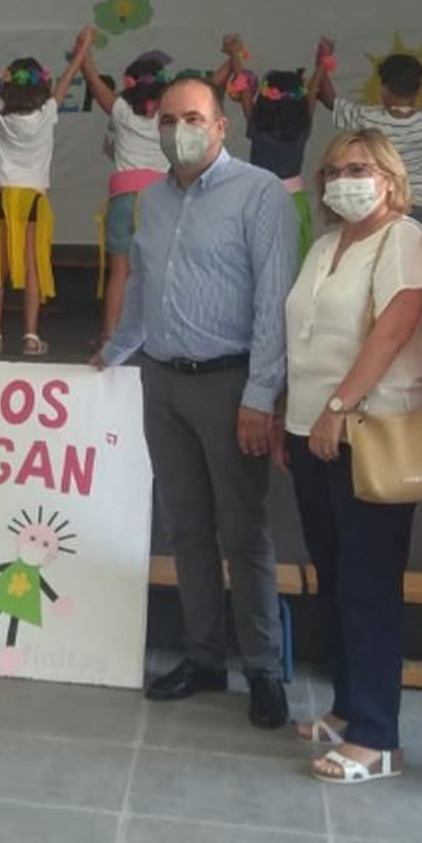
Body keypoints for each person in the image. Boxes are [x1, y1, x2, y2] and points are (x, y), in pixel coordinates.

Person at [95, 75, 298, 729]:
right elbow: (141, 287)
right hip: (162, 379)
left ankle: (264, 667)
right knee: (185, 527)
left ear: (220, 126)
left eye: (192, 117)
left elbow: (275, 300)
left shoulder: (260, 193)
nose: (177, 129)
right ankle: (204, 655)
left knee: (244, 533)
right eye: (167, 118)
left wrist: (262, 393)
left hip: (231, 384)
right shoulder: (152, 200)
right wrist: (115, 352)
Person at [281, 129, 422, 784]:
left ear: (390, 176)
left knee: (370, 584)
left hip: (364, 430)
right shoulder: (324, 244)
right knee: (337, 578)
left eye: (360, 167)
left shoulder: (403, 237)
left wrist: (337, 406)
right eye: (335, 170)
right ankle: (349, 708)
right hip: (311, 431)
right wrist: (300, 415)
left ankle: (378, 735)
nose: (345, 178)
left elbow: (397, 323)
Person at [0, 20, 93, 357]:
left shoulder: (2, 113)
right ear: (41, 87)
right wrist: (83, 48)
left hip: (5, 198)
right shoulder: (48, 112)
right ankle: (31, 336)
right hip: (35, 199)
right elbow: (69, 78)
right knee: (34, 267)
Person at [318, 44, 422, 231]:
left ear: (384, 88)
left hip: (377, 206)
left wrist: (322, 61)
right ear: (419, 89)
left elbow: (329, 100)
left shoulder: (366, 118)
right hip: (418, 209)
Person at [79, 45, 169, 349]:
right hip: (159, 199)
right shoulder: (169, 118)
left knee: (120, 271)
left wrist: (84, 53)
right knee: (158, 270)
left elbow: (94, 82)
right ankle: (156, 336)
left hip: (124, 197)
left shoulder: (120, 111)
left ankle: (109, 335)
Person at [222, 34, 330, 260]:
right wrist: (322, 61)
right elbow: (313, 90)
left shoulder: (257, 125)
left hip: (259, 198)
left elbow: (242, 85)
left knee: (258, 259)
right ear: (299, 102)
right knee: (294, 259)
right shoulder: (303, 124)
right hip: (294, 200)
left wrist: (234, 54)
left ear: (264, 99)